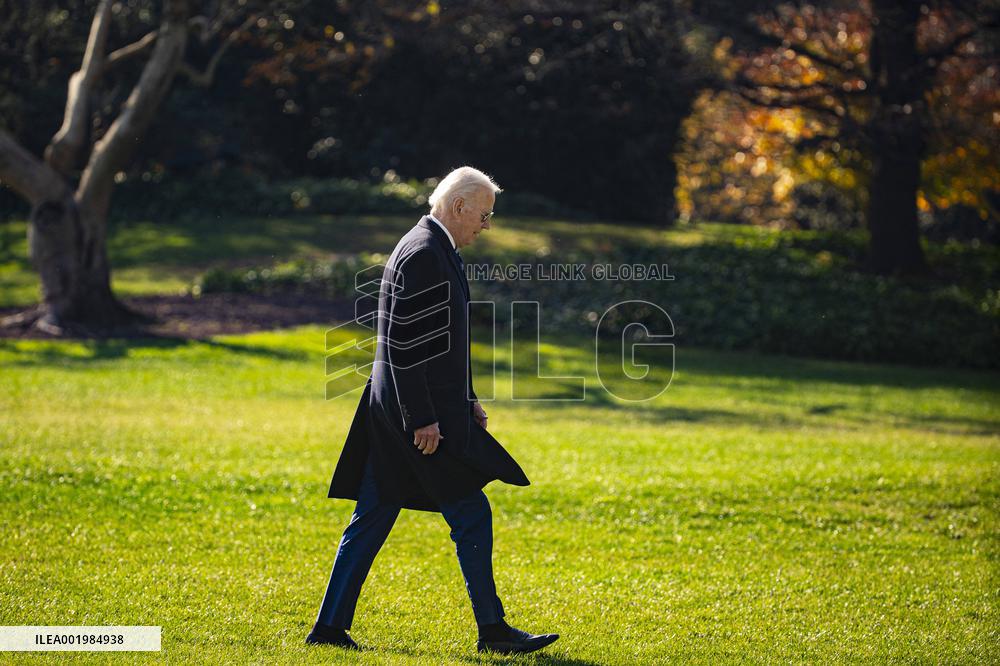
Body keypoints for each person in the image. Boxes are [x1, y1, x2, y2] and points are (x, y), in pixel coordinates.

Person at [307, 166, 560, 655]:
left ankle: (329, 628)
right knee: (471, 512)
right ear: (459, 206)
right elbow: (405, 346)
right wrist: (422, 418)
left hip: (400, 412)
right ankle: (493, 632)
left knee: (375, 514)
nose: (486, 226)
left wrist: (467, 398)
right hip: (414, 420)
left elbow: (442, 341)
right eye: (484, 215)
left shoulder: (433, 246)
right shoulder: (425, 253)